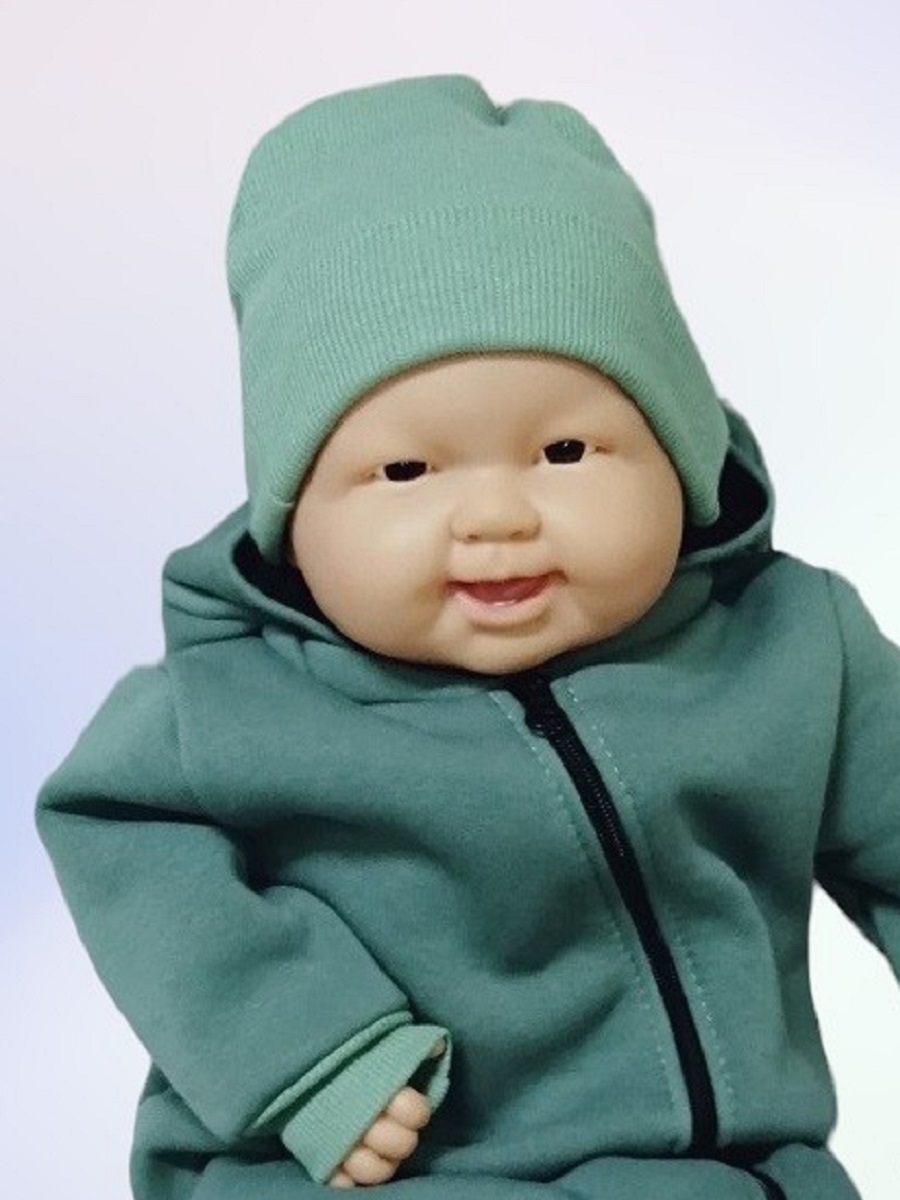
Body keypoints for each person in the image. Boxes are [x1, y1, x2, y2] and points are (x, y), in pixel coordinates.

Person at [36, 75, 898, 1200]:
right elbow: (113, 832)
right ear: (293, 516)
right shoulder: (225, 710)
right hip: (362, 1172)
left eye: (565, 453)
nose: (495, 516)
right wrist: (309, 1057)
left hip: (721, 1172)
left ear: (681, 457)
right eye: (406, 471)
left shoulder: (793, 654)